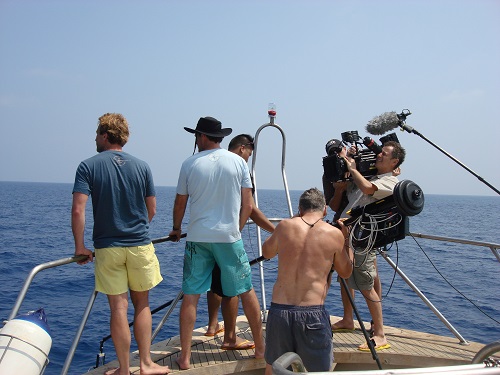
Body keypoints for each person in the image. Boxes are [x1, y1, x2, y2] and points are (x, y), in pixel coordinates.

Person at [71, 113, 170, 375]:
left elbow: (78, 210)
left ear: (105, 134)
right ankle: (147, 364)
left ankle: (124, 369)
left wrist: (80, 247)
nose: (94, 138)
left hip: (108, 247)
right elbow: (152, 209)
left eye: (96, 133)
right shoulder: (142, 166)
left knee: (118, 307)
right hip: (140, 244)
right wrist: (136, 228)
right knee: (143, 305)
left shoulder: (87, 166)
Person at [169, 117, 265, 370]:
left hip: (198, 238)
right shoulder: (238, 163)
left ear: (201, 136)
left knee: (191, 296)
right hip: (228, 238)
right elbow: (248, 205)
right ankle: (261, 349)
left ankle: (186, 357)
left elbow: (180, 202)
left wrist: (177, 228)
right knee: (246, 289)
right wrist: (236, 228)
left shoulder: (189, 164)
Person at [262, 188, 353, 373]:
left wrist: (295, 218)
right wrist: (347, 240)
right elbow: (346, 272)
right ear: (325, 209)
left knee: (273, 367)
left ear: (300, 208)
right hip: (313, 314)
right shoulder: (333, 234)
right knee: (317, 371)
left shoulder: (285, 226)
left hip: (280, 312)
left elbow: (267, 252)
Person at [330, 141, 406, 352]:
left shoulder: (391, 181)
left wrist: (353, 169)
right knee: (344, 277)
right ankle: (347, 320)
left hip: (364, 239)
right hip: (347, 236)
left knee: (365, 284)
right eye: (380, 152)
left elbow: (367, 188)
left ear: (395, 162)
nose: (379, 155)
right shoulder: (369, 174)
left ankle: (379, 334)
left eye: (384, 154)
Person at [205, 134, 275, 351]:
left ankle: (212, 324)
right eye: (249, 155)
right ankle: (231, 337)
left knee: (215, 283)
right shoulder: (240, 169)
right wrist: (276, 230)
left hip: (206, 235)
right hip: (228, 237)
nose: (247, 159)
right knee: (234, 288)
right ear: (243, 149)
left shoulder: (212, 166)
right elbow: (250, 208)